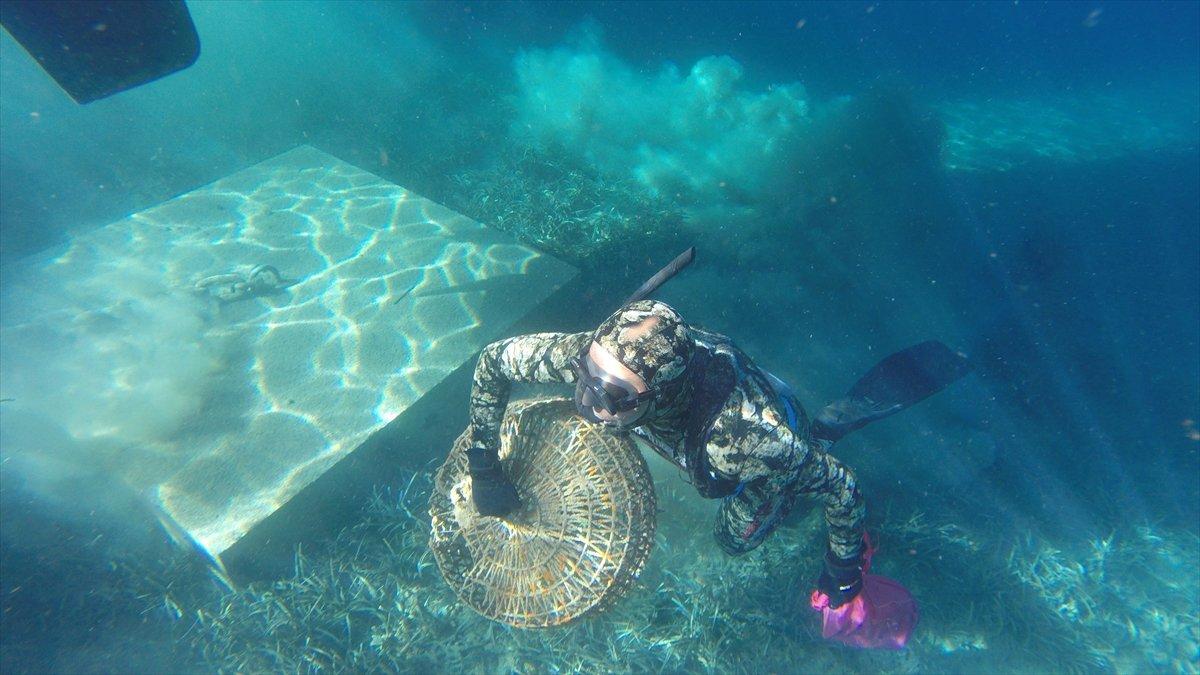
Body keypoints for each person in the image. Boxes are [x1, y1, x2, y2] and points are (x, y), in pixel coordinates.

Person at [465, 299, 968, 642]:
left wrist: (841, 569)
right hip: (703, 390)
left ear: (657, 394)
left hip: (765, 442)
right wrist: (484, 462)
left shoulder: (741, 439)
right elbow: (493, 361)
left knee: (734, 538)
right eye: (585, 378)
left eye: (613, 397)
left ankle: (832, 424)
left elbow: (842, 486)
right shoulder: (597, 360)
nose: (588, 401)